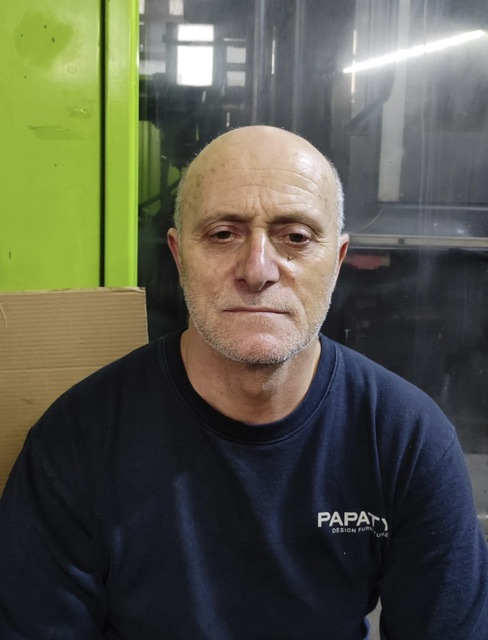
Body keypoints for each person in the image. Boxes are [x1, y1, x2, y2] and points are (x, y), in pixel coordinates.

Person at [0, 126, 487, 640]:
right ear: (178, 255)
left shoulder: (406, 440)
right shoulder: (77, 440)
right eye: (222, 234)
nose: (257, 271)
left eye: (295, 237)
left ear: (338, 261)